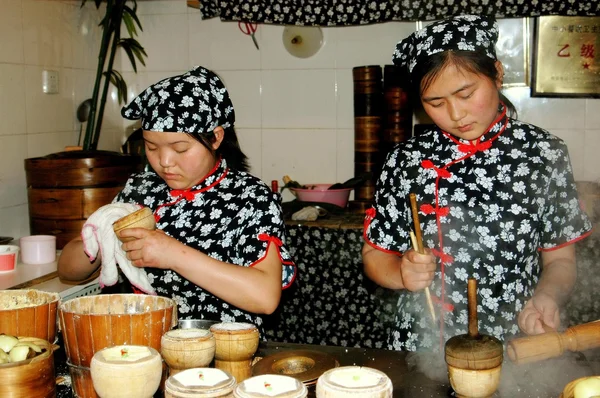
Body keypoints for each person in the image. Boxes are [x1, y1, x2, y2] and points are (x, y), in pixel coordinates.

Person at [362, 15, 592, 351]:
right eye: (435, 103)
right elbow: (374, 254)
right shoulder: (406, 160)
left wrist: (547, 296)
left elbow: (560, 261)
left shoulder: (543, 153)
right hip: (422, 346)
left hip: (516, 340)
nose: (456, 114)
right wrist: (400, 273)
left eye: (466, 93)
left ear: (497, 74)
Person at [58, 66, 296, 334]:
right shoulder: (141, 190)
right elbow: (67, 272)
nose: (164, 162)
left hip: (227, 354)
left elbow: (265, 297)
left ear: (216, 137)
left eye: (180, 148)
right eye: (151, 147)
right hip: (150, 347)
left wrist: (172, 254)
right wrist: (100, 240)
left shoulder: (250, 198)